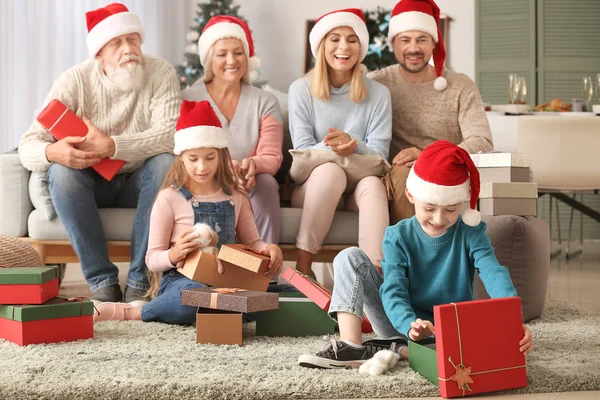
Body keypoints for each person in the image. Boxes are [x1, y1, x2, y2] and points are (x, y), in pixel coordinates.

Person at [298, 141, 533, 369]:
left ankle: (400, 349)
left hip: (450, 329)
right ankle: (352, 345)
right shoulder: (397, 236)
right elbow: (394, 290)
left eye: (451, 209)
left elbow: (494, 272)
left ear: (461, 201)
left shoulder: (471, 232)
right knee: (349, 256)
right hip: (401, 322)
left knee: (478, 335)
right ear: (411, 195)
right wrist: (410, 324)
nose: (439, 219)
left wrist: (512, 319)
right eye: (429, 208)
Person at [18, 3, 181, 304]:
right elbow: (28, 144)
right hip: (90, 185)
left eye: (132, 39)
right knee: (61, 173)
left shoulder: (160, 72)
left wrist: (112, 145)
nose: (128, 48)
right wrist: (53, 151)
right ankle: (103, 282)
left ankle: (139, 281)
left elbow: (172, 135)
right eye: (116, 42)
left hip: (141, 182)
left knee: (165, 163)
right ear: (99, 54)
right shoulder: (75, 81)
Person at [93, 100, 284, 324]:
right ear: (180, 157)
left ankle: (215, 310)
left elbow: (253, 243)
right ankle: (134, 312)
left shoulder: (236, 197)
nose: (202, 167)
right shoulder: (169, 198)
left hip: (226, 281)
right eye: (193, 159)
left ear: (221, 155)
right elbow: (152, 259)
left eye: (210, 158)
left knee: (265, 303)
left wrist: (269, 249)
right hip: (181, 280)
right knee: (192, 297)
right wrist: (174, 255)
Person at [288, 8, 392, 279]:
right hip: (312, 186)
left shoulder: (379, 94)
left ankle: (375, 280)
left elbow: (380, 158)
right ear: (322, 45)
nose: (344, 47)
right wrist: (337, 149)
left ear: (361, 47)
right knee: (330, 172)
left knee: (372, 185)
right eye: (335, 38)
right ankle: (303, 267)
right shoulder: (301, 89)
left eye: (352, 39)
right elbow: (302, 152)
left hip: (359, 184)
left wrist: (353, 144)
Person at [368, 0, 493, 224]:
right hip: (397, 177)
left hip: (448, 173)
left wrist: (428, 156)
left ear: (433, 43)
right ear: (394, 44)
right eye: (405, 40)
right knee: (404, 175)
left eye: (422, 39)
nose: (413, 48)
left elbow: (482, 141)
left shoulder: (460, 85)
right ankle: (408, 254)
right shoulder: (378, 83)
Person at [182, 16, 284, 250]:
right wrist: (224, 169)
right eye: (222, 54)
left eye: (238, 53)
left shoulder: (265, 101)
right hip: (202, 177)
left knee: (266, 182)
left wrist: (252, 165)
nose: (231, 60)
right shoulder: (187, 99)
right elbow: (181, 153)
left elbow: (272, 155)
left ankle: (265, 269)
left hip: (250, 181)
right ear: (209, 59)